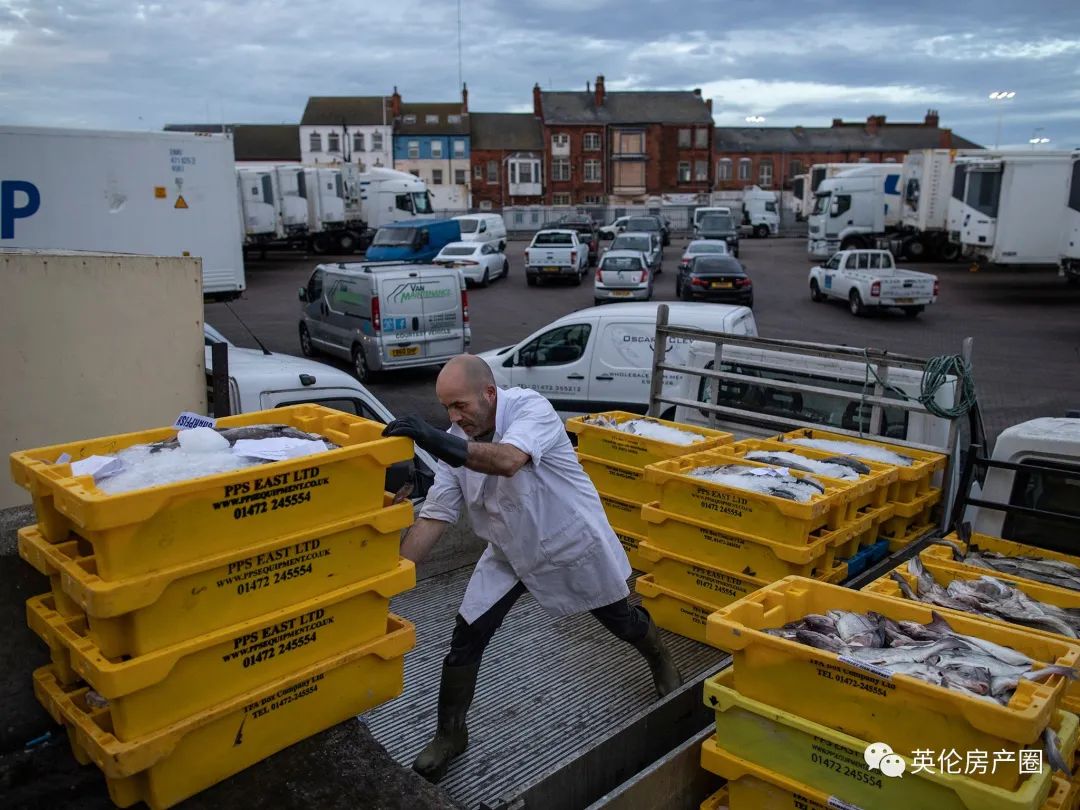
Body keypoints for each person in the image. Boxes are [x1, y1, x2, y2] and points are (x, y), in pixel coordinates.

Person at [382, 354, 682, 783]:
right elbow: (435, 517)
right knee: (466, 638)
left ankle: (660, 659)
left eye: (460, 405)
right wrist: (388, 578)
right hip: (508, 553)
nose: (453, 417)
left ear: (489, 393)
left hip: (568, 546)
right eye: (446, 408)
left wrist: (432, 438)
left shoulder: (530, 408)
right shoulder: (453, 439)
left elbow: (506, 460)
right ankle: (450, 734)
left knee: (621, 620)